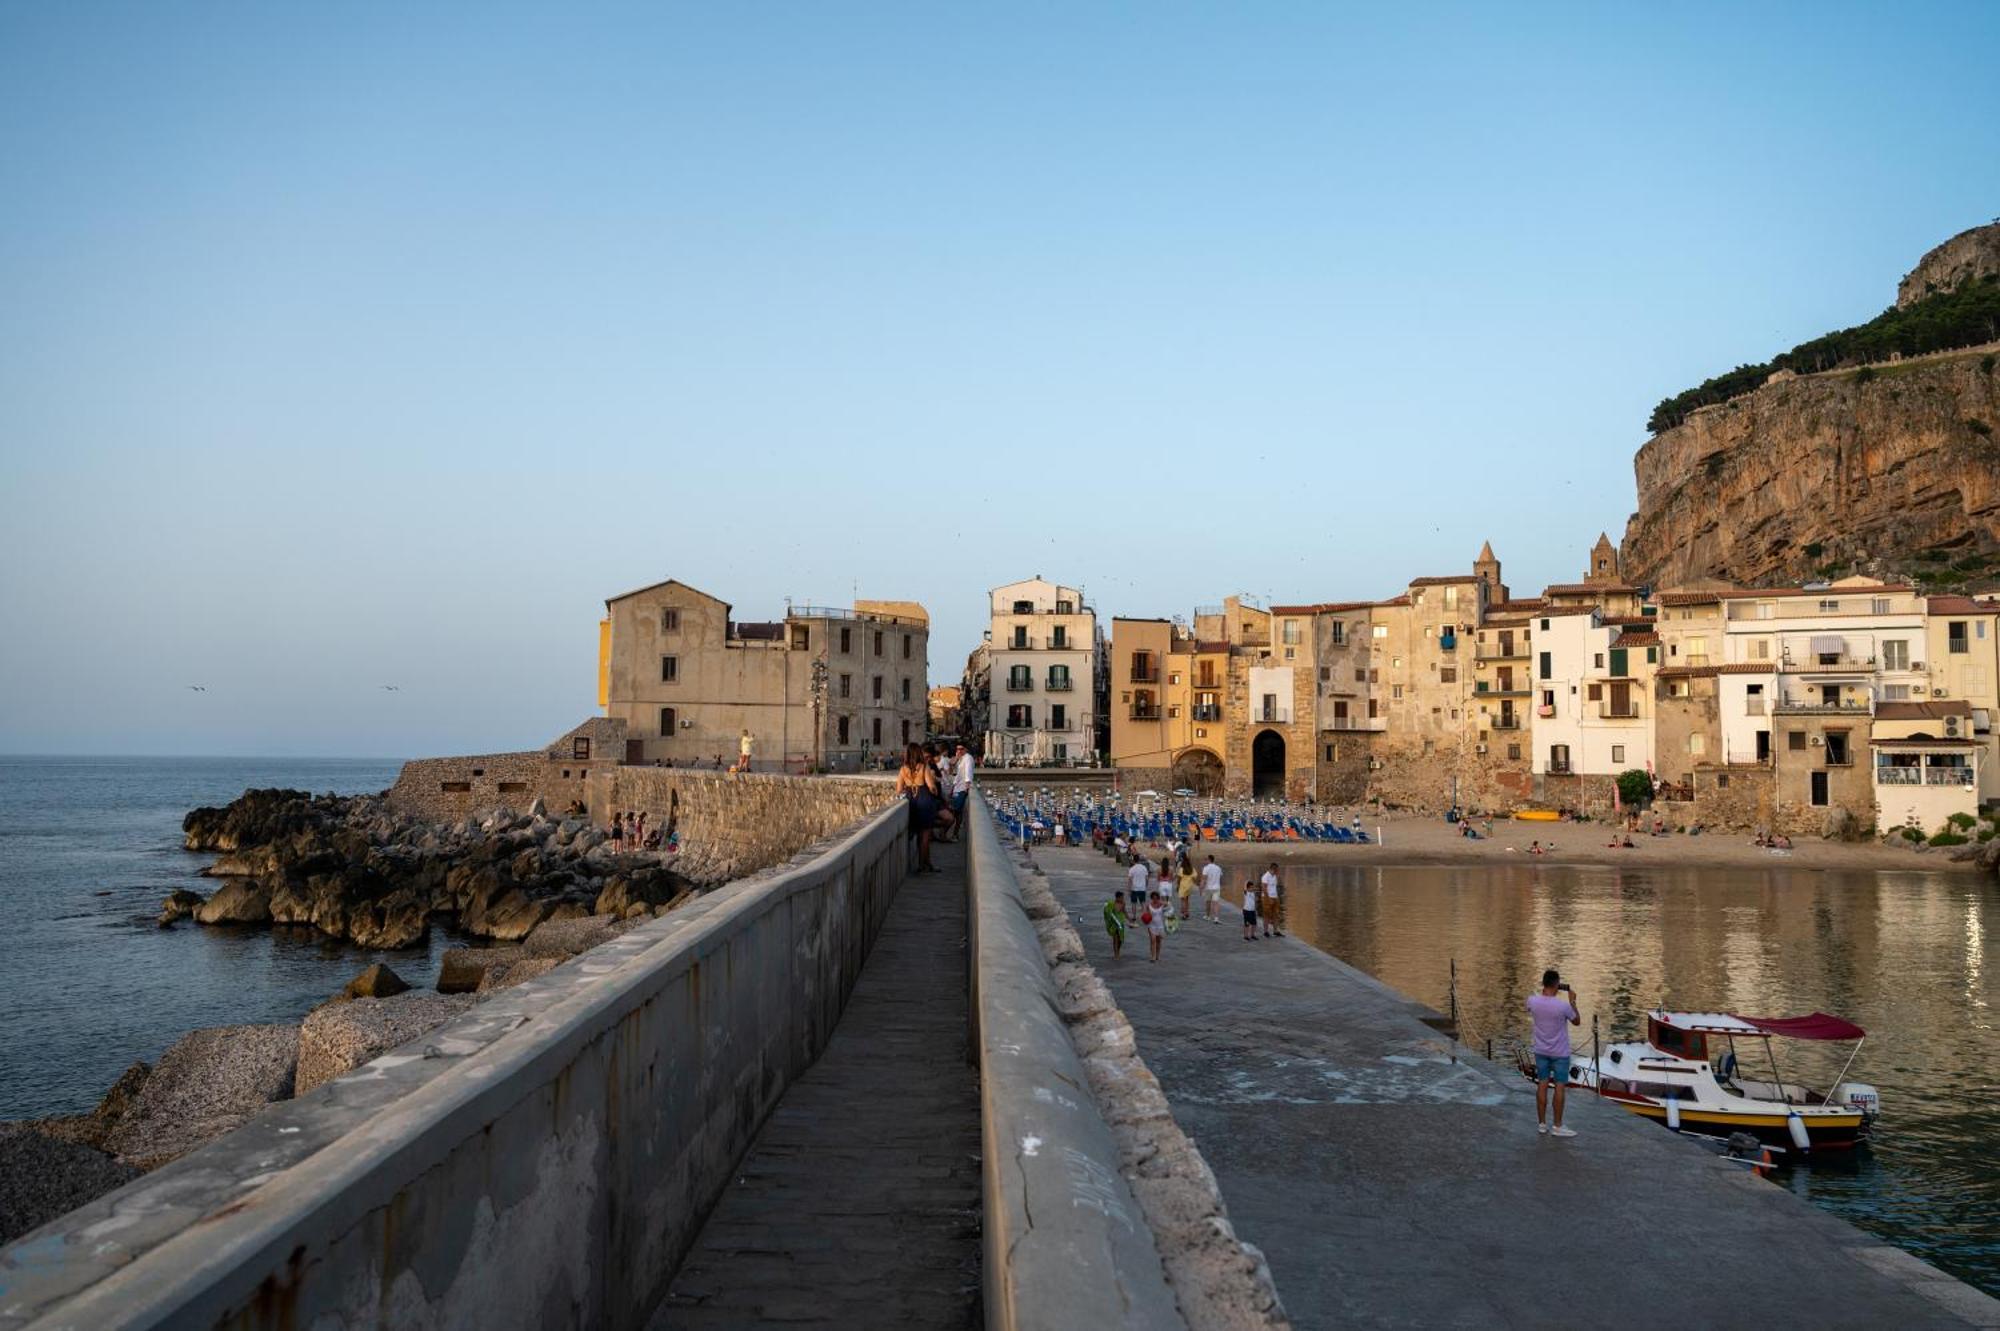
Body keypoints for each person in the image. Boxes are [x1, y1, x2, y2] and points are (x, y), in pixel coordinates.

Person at [1527, 969, 1582, 1137]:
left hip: (1541, 1050)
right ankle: (1557, 1126)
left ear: (1544, 983)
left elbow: (1530, 1007)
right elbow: (1577, 1021)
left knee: (1542, 1084)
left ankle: (1542, 1124)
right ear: (1557, 985)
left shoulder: (1532, 1001)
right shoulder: (1563, 1006)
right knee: (1559, 1086)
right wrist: (1573, 1001)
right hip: (1560, 1053)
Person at [896, 743, 945, 873]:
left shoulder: (903, 769)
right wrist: (934, 790)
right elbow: (931, 787)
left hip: (912, 801)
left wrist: (910, 788)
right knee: (925, 836)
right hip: (924, 800)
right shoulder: (924, 767)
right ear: (918, 753)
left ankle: (926, 864)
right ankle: (922, 865)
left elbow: (899, 790)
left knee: (919, 834)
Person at [1103, 890, 1129, 958]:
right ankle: (1116, 954)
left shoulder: (1123, 903)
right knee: (1115, 939)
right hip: (1113, 924)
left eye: (1123, 898)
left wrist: (1130, 920)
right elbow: (1107, 913)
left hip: (1120, 923)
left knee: (1120, 939)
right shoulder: (1111, 904)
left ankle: (1118, 951)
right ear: (1117, 898)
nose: (1122, 899)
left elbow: (1124, 912)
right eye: (1121, 898)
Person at [1260, 862, 1283, 937]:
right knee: (1266, 915)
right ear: (1273, 869)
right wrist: (1268, 899)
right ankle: (1266, 931)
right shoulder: (1265, 876)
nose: (1278, 871)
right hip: (1267, 898)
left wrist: (1277, 897)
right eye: (1277, 870)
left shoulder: (1275, 876)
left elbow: (1274, 887)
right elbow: (1264, 888)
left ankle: (1275, 931)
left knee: (1276, 914)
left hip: (1275, 897)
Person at [1145, 890, 1167, 961]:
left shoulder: (1161, 904)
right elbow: (1146, 915)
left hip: (1160, 925)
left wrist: (1162, 902)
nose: (1155, 900)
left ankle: (1157, 955)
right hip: (1151, 925)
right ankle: (1153, 957)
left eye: (1156, 898)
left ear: (1158, 898)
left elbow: (1169, 905)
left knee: (1159, 941)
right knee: (1153, 940)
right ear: (1151, 898)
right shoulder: (1148, 905)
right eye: (1153, 898)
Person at [1201, 854, 1224, 923]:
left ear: (1209, 860)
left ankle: (1207, 916)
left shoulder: (1206, 868)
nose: (1205, 861)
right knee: (1216, 903)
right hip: (1216, 887)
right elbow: (1221, 876)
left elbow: (1204, 879)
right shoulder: (1218, 868)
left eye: (1206, 859)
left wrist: (1201, 887)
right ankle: (1216, 918)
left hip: (1208, 888)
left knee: (1208, 902)